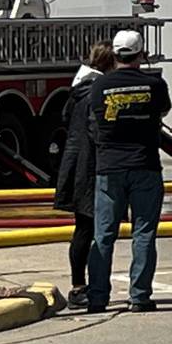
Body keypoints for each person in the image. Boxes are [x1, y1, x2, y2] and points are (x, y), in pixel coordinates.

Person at [86, 29, 171, 314]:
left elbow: (94, 123)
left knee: (103, 236)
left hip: (109, 168)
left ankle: (97, 298)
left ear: (115, 53)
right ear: (141, 53)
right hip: (145, 166)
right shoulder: (155, 85)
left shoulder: (98, 86)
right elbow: (163, 112)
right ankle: (140, 296)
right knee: (144, 233)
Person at [53, 42, 116, 310]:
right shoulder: (96, 93)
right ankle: (82, 287)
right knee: (89, 228)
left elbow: (67, 120)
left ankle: (79, 284)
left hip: (74, 164)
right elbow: (96, 130)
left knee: (83, 226)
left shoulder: (78, 89)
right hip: (90, 166)